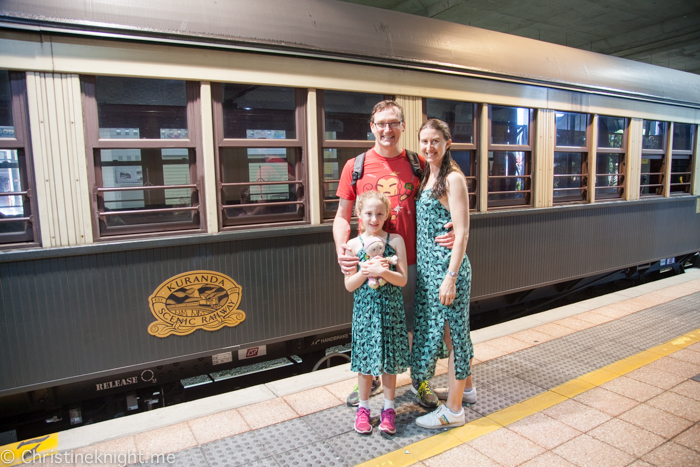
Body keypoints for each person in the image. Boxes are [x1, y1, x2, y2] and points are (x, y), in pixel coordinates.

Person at [333, 100, 455, 409]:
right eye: (381, 123)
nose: (387, 129)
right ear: (372, 127)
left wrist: (457, 226)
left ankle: (420, 381)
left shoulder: (419, 164)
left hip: (414, 259)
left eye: (393, 123)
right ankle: (371, 379)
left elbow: (450, 192)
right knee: (372, 323)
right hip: (369, 263)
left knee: (419, 326)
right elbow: (341, 216)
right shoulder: (355, 166)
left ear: (402, 127)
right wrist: (341, 248)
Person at [412, 119, 476, 429]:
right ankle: (468, 389)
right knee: (451, 335)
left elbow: (462, 233)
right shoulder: (429, 175)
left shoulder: (453, 179)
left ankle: (453, 411)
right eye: (424, 142)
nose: (429, 147)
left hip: (446, 272)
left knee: (456, 338)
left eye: (435, 141)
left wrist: (450, 276)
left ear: (447, 142)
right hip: (431, 270)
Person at [344, 190, 409, 435]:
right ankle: (363, 409)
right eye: (369, 213)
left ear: (386, 215)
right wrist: (366, 271)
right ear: (359, 214)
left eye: (379, 214)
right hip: (365, 313)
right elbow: (350, 285)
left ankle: (389, 409)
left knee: (388, 362)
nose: (374, 218)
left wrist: (382, 272)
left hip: (390, 311)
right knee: (364, 362)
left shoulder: (395, 241)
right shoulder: (353, 245)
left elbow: (402, 280)